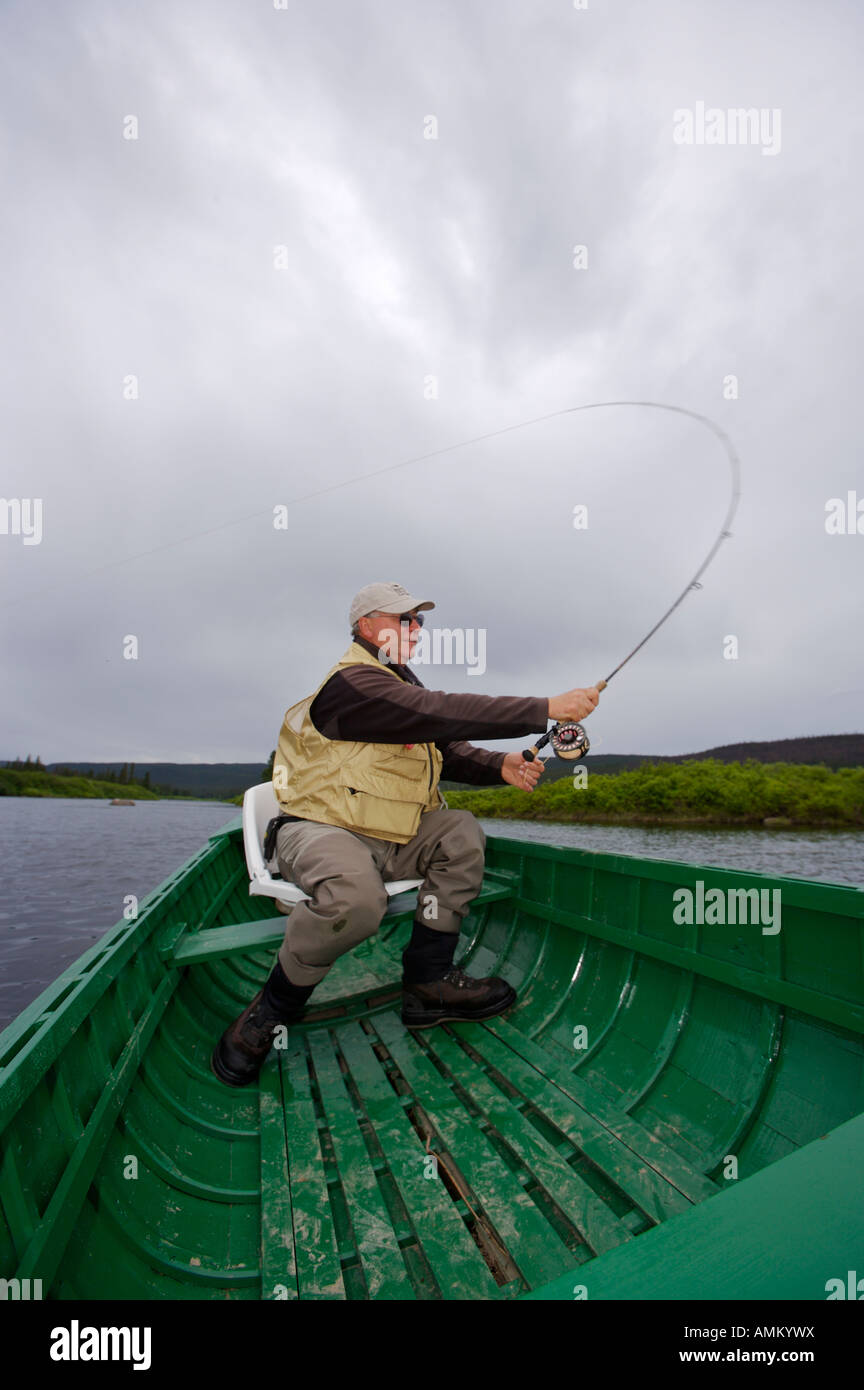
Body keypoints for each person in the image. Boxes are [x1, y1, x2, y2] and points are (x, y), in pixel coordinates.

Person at [211, 581, 600, 1086]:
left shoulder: (402, 691)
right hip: (319, 828)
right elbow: (439, 710)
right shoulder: (353, 685)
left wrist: (502, 765)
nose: (416, 629)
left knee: (459, 831)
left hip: (387, 835)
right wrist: (545, 707)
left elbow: (449, 746)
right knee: (356, 902)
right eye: (404, 620)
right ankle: (267, 1014)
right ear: (367, 626)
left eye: (419, 622)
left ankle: (428, 983)